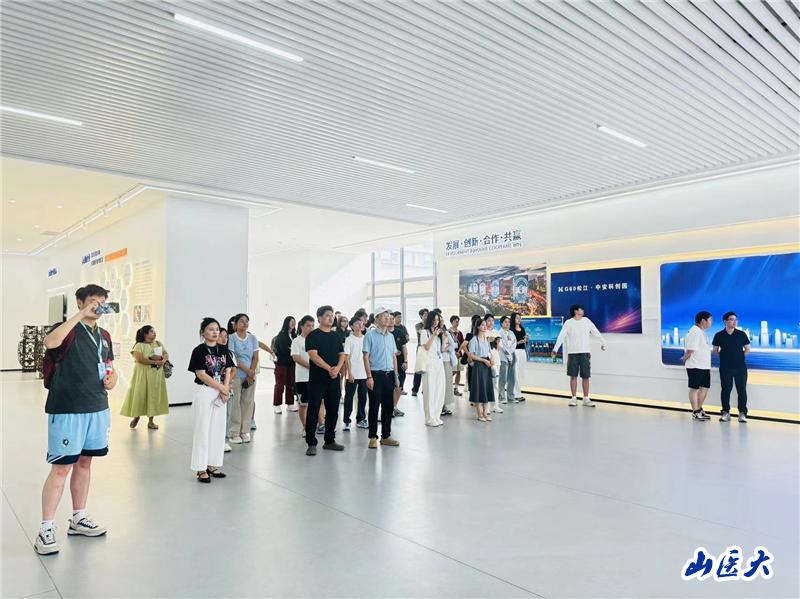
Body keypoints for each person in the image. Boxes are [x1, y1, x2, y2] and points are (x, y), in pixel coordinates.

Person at [35, 284, 118, 555]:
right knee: (61, 467)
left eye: (101, 302)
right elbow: (50, 343)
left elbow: (109, 366)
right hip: (67, 408)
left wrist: (113, 378)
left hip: (97, 407)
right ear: (80, 302)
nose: (97, 307)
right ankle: (46, 528)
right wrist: (81, 315)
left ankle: (78, 517)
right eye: (92, 301)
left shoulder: (104, 335)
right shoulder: (67, 329)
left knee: (85, 462)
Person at [188, 317, 234, 482]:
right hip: (205, 391)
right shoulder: (199, 350)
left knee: (218, 429)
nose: (215, 332)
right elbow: (201, 374)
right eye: (210, 329)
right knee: (202, 429)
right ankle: (201, 468)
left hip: (220, 392)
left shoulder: (223, 350)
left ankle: (212, 464)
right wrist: (222, 388)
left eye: (217, 329)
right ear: (203, 333)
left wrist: (225, 389)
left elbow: (228, 370)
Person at [304, 305, 346, 456]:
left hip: (333, 379)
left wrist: (337, 368)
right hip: (318, 379)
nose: (331, 318)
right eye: (328, 315)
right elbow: (313, 355)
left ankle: (329, 440)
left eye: (332, 315)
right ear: (320, 318)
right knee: (314, 410)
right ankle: (311, 443)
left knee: (333, 410)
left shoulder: (335, 335)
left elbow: (342, 354)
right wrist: (329, 368)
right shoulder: (313, 335)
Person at [552, 304, 606, 407]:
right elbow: (561, 336)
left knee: (586, 376)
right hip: (573, 353)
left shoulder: (586, 321)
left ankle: (586, 399)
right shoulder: (568, 323)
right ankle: (573, 398)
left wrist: (603, 342)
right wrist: (555, 349)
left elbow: (595, 331)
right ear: (576, 311)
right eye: (581, 309)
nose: (583, 310)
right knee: (573, 376)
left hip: (585, 352)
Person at [362, 307, 401, 448]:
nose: (387, 318)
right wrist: (369, 377)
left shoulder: (391, 337)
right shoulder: (370, 335)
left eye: (388, 316)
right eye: (384, 316)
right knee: (374, 406)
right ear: (377, 319)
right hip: (375, 375)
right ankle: (372, 436)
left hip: (389, 375)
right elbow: (365, 357)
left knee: (388, 407)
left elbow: (393, 357)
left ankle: (386, 436)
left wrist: (396, 376)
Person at [121, 325, 169, 430]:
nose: (154, 333)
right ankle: (136, 417)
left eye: (154, 331)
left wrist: (163, 359)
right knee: (140, 395)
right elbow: (140, 359)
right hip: (142, 376)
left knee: (153, 397)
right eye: (152, 331)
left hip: (156, 376)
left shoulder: (158, 343)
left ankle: (151, 422)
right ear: (145, 334)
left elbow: (166, 354)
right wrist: (155, 361)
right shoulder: (139, 345)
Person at [712, 312, 751, 423]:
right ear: (725, 321)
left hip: (740, 368)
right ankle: (725, 412)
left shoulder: (741, 334)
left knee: (741, 390)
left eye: (735, 320)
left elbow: (747, 349)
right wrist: (725, 358)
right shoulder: (719, 335)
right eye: (731, 319)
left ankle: (742, 413)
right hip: (725, 368)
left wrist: (739, 357)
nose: (734, 322)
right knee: (725, 390)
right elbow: (715, 350)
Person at [227, 313, 259, 443]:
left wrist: (251, 373)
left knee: (248, 403)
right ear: (235, 324)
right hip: (236, 375)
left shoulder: (253, 338)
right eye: (241, 321)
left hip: (250, 376)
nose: (245, 323)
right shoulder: (231, 338)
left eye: (247, 321)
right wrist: (248, 371)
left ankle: (245, 431)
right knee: (235, 404)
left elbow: (255, 357)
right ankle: (234, 432)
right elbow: (234, 358)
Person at [682, 311, 713, 421]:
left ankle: (699, 409)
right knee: (694, 388)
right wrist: (684, 358)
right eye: (710, 320)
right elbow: (690, 349)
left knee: (705, 387)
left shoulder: (701, 332)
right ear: (703, 320)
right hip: (695, 365)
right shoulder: (695, 331)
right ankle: (695, 411)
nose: (711, 322)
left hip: (704, 366)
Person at [291, 315, 317, 435]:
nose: (311, 328)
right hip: (302, 378)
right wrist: (312, 367)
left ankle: (317, 425)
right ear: (302, 326)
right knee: (304, 404)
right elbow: (296, 357)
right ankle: (306, 428)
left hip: (315, 378)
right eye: (308, 326)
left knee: (316, 403)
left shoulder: (315, 340)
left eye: (312, 326)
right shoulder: (297, 341)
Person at [419, 311, 446, 427]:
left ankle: (436, 416)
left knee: (439, 390)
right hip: (429, 365)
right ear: (429, 319)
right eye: (434, 319)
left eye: (438, 320)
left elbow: (441, 350)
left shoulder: (439, 333)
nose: (436, 322)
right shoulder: (424, 332)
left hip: (439, 363)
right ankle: (429, 418)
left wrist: (444, 338)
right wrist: (434, 335)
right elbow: (426, 347)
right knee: (430, 391)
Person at [343, 316, 368, 431]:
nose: (360, 325)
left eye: (361, 323)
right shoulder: (349, 339)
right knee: (349, 398)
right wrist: (350, 373)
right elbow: (346, 357)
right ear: (352, 326)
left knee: (363, 397)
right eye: (357, 323)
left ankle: (360, 419)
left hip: (364, 373)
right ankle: (346, 421)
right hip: (352, 374)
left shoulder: (366, 338)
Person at [468, 318, 495, 421]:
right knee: (479, 389)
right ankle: (480, 414)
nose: (485, 326)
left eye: (485, 325)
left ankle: (485, 413)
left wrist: (491, 358)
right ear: (478, 327)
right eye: (483, 325)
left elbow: (489, 352)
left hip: (487, 366)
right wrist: (483, 360)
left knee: (486, 388)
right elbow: (471, 355)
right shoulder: (474, 340)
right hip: (479, 366)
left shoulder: (486, 340)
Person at [272, 316, 297, 414]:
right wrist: (292, 350)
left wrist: (291, 349)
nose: (293, 323)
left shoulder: (294, 335)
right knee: (280, 385)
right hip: (281, 364)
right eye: (291, 322)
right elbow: (283, 349)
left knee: (291, 384)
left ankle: (290, 404)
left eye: (294, 322)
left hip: (292, 364)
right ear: (286, 323)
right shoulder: (281, 335)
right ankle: (277, 405)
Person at [218, 328, 235, 452]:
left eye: (226, 336)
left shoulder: (229, 353)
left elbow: (234, 370)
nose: (224, 339)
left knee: (226, 414)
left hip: (227, 387)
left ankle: (223, 440)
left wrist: (226, 383)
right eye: (221, 336)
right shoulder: (210, 352)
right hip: (214, 387)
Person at [497, 316, 517, 404]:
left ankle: (511, 397)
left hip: (512, 356)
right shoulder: (499, 333)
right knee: (503, 378)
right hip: (503, 357)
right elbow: (503, 346)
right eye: (505, 322)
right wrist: (509, 356)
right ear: (501, 323)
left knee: (512, 378)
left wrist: (511, 354)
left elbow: (514, 343)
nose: (507, 323)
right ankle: (501, 397)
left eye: (508, 322)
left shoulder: (511, 332)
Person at [411, 308, 429, 396]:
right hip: (421, 349)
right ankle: (415, 389)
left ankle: (425, 389)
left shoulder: (430, 324)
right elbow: (421, 332)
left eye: (428, 314)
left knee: (427, 369)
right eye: (425, 314)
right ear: (421, 316)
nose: (427, 316)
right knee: (419, 369)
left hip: (429, 349)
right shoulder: (418, 325)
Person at [510, 312, 528, 401]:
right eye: (517, 318)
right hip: (515, 352)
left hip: (522, 352)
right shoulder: (511, 330)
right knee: (515, 373)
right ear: (513, 319)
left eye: (520, 318)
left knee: (521, 373)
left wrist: (526, 340)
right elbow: (511, 344)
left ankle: (518, 392)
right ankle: (516, 394)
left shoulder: (523, 329)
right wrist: (519, 342)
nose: (519, 319)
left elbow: (524, 340)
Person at [441, 320, 456, 416]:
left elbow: (453, 344)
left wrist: (445, 349)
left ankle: (444, 405)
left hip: (446, 361)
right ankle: (440, 406)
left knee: (447, 383)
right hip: (437, 361)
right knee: (439, 384)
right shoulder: (432, 333)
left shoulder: (447, 333)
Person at [392, 312, 410, 395]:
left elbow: (405, 342)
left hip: (401, 356)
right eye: (398, 317)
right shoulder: (388, 331)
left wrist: (406, 360)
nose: (400, 319)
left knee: (402, 373)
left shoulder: (402, 328)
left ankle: (400, 388)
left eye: (400, 317)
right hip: (391, 357)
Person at [448, 316, 465, 396]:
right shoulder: (448, 332)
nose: (457, 323)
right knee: (452, 372)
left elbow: (462, 343)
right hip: (451, 355)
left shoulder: (459, 333)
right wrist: (454, 352)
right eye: (455, 321)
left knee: (458, 372)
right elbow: (447, 344)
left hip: (459, 355)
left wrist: (459, 352)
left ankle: (456, 388)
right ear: (451, 322)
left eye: (458, 321)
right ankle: (447, 386)